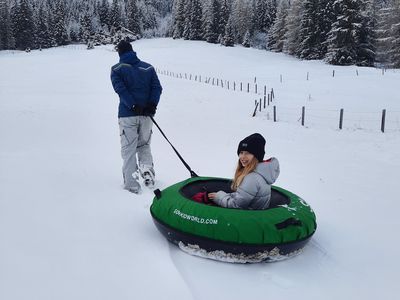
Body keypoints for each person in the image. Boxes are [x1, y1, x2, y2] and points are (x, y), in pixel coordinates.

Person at [110, 40, 162, 194]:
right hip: (146, 116)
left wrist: (132, 105)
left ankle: (132, 186)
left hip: (127, 115)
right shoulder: (148, 67)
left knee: (129, 149)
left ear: (120, 52)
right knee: (144, 145)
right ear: (132, 51)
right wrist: (151, 105)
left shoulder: (116, 69)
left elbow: (120, 89)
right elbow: (157, 88)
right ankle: (148, 176)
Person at [208, 133, 280, 209]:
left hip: (247, 218)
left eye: (247, 153)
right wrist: (225, 195)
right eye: (241, 153)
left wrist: (219, 197)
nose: (242, 157)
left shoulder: (252, 178)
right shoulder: (262, 173)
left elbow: (236, 205)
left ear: (256, 156)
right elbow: (244, 196)